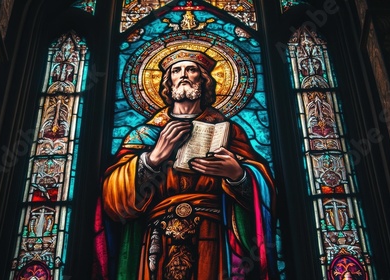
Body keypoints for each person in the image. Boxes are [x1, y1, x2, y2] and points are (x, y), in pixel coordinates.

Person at [94, 49, 277, 280]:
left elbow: (264, 193)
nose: (183, 75)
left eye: (191, 69)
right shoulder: (144, 135)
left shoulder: (230, 133)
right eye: (176, 70)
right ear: (167, 82)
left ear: (204, 79)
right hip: (155, 241)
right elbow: (112, 200)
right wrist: (152, 159)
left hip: (216, 237)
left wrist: (238, 175)